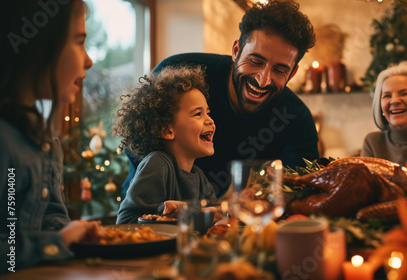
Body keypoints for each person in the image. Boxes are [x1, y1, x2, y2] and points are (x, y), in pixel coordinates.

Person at [122, 0, 319, 198]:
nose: (263, 80)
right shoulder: (181, 71)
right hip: (149, 214)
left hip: (224, 219)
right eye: (255, 61)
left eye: (279, 70)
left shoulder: (296, 118)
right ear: (236, 51)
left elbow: (299, 190)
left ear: (292, 74)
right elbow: (140, 145)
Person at [0, 0, 101, 271]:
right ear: (38, 47)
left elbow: (50, 220)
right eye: (79, 42)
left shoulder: (47, 141)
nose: (89, 61)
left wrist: (73, 232)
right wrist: (58, 241)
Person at [114, 65, 217, 224]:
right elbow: (125, 222)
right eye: (198, 114)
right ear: (167, 130)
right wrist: (166, 215)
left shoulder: (199, 177)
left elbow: (216, 219)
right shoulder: (158, 164)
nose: (210, 120)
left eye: (207, 113)